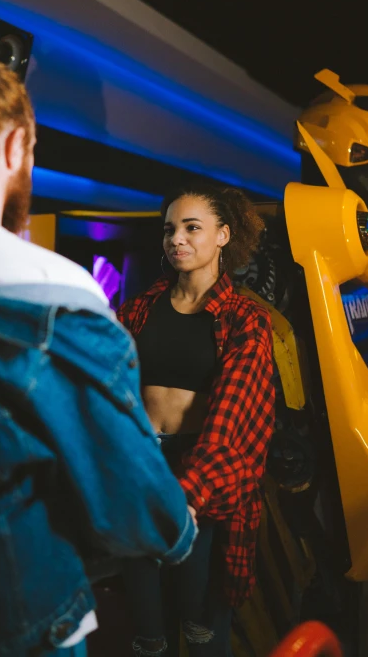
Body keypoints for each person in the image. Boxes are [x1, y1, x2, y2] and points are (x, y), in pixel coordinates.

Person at [0, 34, 197, 657]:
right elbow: (136, 510)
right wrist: (179, 526)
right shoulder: (58, 302)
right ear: (17, 146)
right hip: (18, 624)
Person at [118, 184, 276, 657]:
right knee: (146, 623)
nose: (177, 240)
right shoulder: (139, 307)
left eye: (192, 228)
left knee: (201, 622)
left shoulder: (246, 318)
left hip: (202, 475)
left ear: (224, 235)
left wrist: (186, 496)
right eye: (170, 230)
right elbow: (111, 391)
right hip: (142, 468)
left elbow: (233, 421)